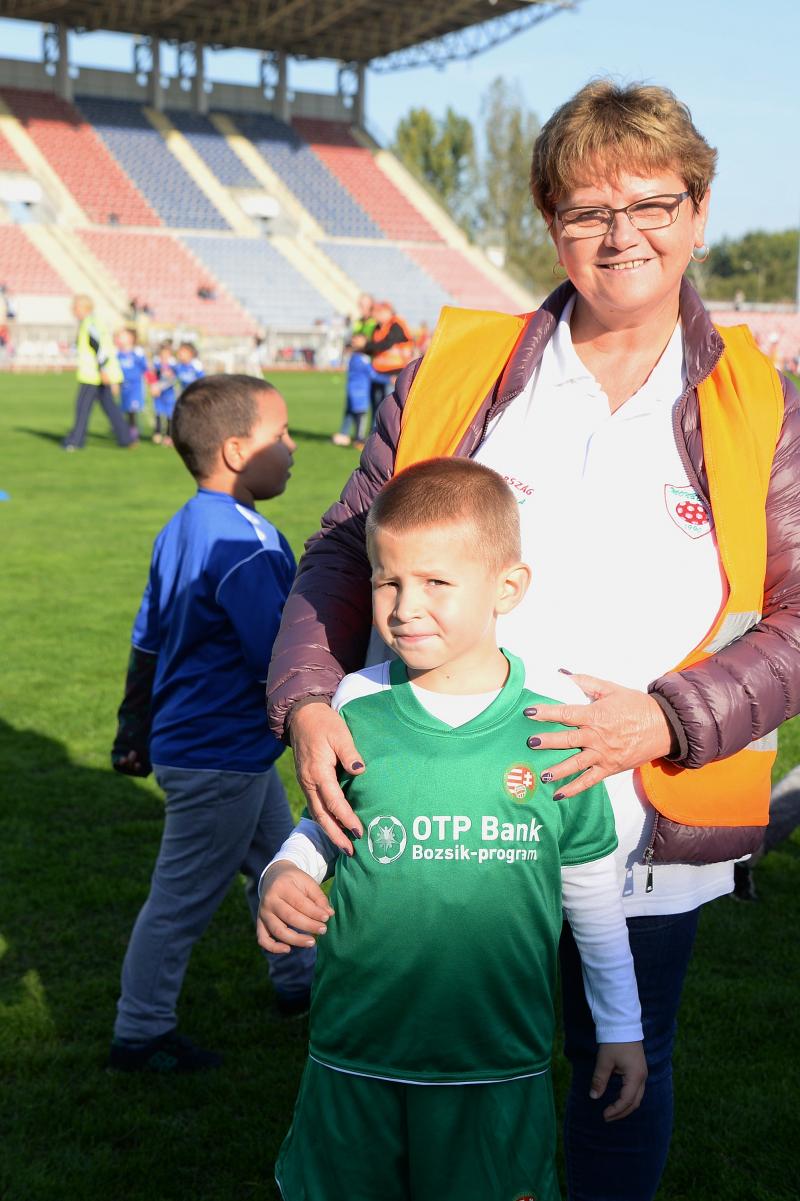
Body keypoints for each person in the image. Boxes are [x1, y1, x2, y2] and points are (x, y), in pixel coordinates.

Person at [265, 79, 800, 1201]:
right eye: (585, 210)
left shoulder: (762, 403)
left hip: (643, 814)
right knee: (432, 1070)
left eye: (651, 202)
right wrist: (310, 700)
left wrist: (664, 715)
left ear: (696, 211)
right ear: (549, 223)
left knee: (624, 1064)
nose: (621, 236)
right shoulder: (463, 371)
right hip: (440, 799)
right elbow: (337, 551)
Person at [260, 458, 646, 1201]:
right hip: (353, 1054)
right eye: (386, 580)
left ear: (508, 587)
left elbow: (595, 902)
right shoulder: (355, 703)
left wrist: (620, 1026)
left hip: (495, 1064)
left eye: (436, 583)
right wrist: (286, 869)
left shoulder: (557, 721)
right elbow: (324, 825)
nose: (405, 607)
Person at [109, 374, 315, 1072]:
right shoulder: (248, 543)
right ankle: (140, 1032)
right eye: (280, 435)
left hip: (219, 747)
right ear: (234, 450)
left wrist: (131, 724)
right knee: (181, 898)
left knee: (278, 861)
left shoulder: (185, 523)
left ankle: (301, 982)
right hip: (218, 751)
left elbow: (147, 634)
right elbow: (278, 654)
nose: (293, 448)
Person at [62, 294, 132, 451]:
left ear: (84, 308)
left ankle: (76, 441)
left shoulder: (90, 324)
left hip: (93, 376)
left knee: (82, 407)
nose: (73, 311)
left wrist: (103, 370)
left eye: (75, 308)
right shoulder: (93, 323)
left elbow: (99, 349)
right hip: (97, 374)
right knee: (109, 407)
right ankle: (126, 437)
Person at [351, 299, 415, 428]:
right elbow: (375, 348)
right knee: (376, 406)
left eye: (378, 312)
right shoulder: (377, 327)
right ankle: (373, 435)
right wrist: (362, 347)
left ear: (387, 312)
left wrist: (365, 345)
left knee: (389, 408)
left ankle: (386, 437)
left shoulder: (396, 325)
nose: (375, 315)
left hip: (395, 374)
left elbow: (387, 344)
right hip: (378, 373)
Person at [114, 326, 148, 442]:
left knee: (132, 410)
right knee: (124, 410)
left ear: (131, 338)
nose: (120, 338)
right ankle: (126, 431)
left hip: (135, 386)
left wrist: (153, 383)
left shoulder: (137, 352)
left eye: (123, 335)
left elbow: (146, 369)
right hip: (123, 386)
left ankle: (133, 434)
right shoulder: (117, 353)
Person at [151, 341, 178, 445]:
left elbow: (173, 379)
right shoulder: (157, 363)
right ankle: (157, 432)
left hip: (168, 393)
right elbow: (152, 376)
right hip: (158, 394)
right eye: (163, 354)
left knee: (169, 415)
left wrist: (160, 387)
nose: (164, 356)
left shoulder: (174, 365)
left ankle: (169, 435)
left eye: (167, 354)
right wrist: (154, 386)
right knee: (158, 412)